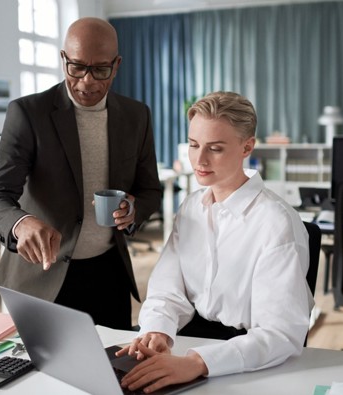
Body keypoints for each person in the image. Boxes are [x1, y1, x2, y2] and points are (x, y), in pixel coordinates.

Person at [117, 91, 314, 393]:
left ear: (247, 146)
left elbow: (281, 334)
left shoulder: (276, 223)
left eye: (216, 149)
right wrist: (158, 329)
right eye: (194, 145)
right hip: (192, 337)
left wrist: (199, 363)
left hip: (249, 354)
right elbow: (167, 288)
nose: (200, 160)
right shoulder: (192, 207)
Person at [0, 17, 162, 330]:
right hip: (41, 278)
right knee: (38, 378)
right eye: (76, 67)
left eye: (100, 69)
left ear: (116, 65)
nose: (86, 81)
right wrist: (21, 224)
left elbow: (150, 190)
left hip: (108, 274)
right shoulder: (28, 114)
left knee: (110, 373)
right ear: (63, 59)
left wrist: (133, 210)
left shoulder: (136, 116)